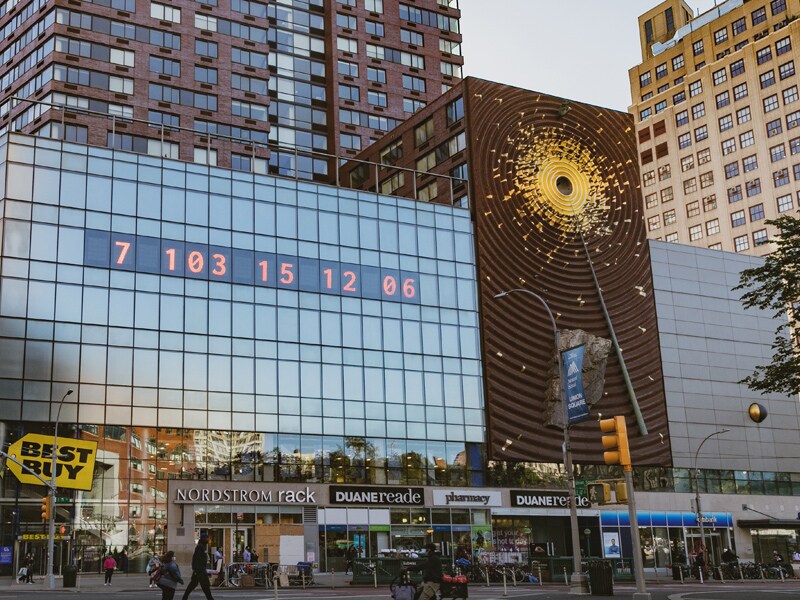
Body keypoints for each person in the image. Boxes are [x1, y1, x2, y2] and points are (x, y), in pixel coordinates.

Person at [181, 532, 215, 600]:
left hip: (199, 570)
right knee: (205, 586)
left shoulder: (202, 546)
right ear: (203, 539)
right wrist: (199, 569)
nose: (208, 539)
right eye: (207, 538)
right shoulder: (200, 547)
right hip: (200, 570)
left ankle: (184, 598)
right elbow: (197, 559)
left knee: (193, 584)